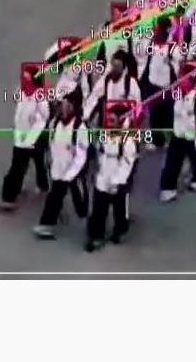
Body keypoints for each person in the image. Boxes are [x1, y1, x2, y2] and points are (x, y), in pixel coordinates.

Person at [34, 95, 89, 239]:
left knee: (79, 198)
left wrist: (70, 175)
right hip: (58, 169)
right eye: (63, 105)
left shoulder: (80, 128)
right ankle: (46, 225)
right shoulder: (55, 123)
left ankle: (85, 217)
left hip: (74, 172)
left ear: (73, 108)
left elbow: (81, 156)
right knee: (54, 196)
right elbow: (51, 143)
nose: (63, 109)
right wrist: (51, 161)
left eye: (67, 106)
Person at [0, 66, 51, 211]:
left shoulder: (40, 99)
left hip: (32, 139)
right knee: (23, 165)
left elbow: (43, 118)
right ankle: (12, 195)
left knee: (28, 165)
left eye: (26, 80)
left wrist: (30, 138)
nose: (23, 82)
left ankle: (12, 196)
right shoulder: (22, 92)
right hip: (21, 137)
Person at [159, 66, 196, 201]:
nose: (179, 81)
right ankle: (168, 189)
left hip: (193, 136)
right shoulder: (175, 95)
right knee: (171, 162)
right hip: (178, 134)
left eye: (183, 79)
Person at [86, 121, 141, 250]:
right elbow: (96, 153)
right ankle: (96, 235)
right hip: (102, 177)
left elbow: (128, 163)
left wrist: (117, 181)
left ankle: (119, 231)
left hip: (119, 179)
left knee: (120, 208)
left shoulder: (127, 139)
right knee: (99, 208)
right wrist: (95, 171)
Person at [133, 16, 181, 146]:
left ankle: (171, 140)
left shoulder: (172, 47)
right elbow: (140, 53)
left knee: (168, 115)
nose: (157, 31)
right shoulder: (151, 42)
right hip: (152, 85)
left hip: (167, 87)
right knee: (155, 115)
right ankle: (157, 141)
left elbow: (179, 57)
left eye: (160, 29)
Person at [84, 49, 142, 128]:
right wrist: (86, 115)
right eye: (113, 66)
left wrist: (130, 121)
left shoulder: (130, 83)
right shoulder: (106, 80)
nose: (114, 69)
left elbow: (138, 106)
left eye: (117, 67)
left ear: (123, 68)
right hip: (110, 123)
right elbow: (94, 95)